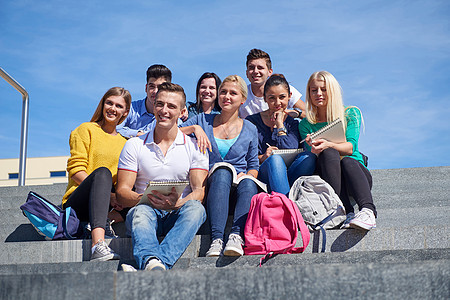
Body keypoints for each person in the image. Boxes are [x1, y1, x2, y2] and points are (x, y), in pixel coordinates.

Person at [116, 82, 209, 271]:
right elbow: (122, 193)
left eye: (171, 106)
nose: (164, 110)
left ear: (182, 112)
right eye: (160, 104)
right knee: (140, 212)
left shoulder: (195, 146)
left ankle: (155, 263)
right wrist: (147, 199)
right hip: (145, 212)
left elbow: (199, 191)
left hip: (178, 213)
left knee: (196, 209)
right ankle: (155, 263)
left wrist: (177, 204)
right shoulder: (134, 145)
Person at [181, 75, 259, 257]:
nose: (227, 97)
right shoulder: (202, 120)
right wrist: (194, 129)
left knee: (249, 182)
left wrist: (249, 175)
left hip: (239, 189)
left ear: (243, 100)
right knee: (222, 171)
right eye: (223, 92)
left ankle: (236, 236)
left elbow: (254, 164)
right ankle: (216, 239)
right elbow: (171, 132)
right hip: (212, 185)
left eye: (233, 93)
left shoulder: (250, 128)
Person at [299, 71, 377, 230]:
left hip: (355, 174)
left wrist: (328, 143)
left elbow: (350, 148)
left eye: (324, 89)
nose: (318, 94)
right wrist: (313, 148)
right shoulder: (305, 125)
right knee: (327, 153)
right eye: (314, 90)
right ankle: (344, 212)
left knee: (347, 160)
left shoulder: (350, 113)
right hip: (329, 177)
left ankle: (368, 211)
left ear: (332, 91)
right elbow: (314, 158)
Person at [62, 87, 131, 261]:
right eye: (109, 103)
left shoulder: (126, 143)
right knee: (102, 174)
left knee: (139, 192)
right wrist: (108, 195)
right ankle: (98, 245)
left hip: (108, 204)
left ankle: (105, 221)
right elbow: (76, 170)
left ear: (125, 112)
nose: (113, 109)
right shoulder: (86, 129)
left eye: (118, 106)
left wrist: (115, 196)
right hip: (79, 203)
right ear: (102, 104)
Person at [247, 74, 316, 195]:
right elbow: (246, 156)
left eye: (282, 97)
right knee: (275, 159)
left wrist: (279, 124)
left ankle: (286, 197)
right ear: (265, 98)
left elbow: (290, 148)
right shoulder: (251, 122)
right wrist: (263, 157)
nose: (277, 102)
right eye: (272, 98)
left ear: (289, 97)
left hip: (290, 173)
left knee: (309, 158)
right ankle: (287, 207)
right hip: (265, 173)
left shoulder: (292, 123)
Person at [239, 48, 306, 119]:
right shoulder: (240, 94)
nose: (255, 71)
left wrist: (291, 113)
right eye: (251, 68)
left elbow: (309, 114)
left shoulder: (283, 88)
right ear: (246, 73)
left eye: (260, 68)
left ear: (270, 72)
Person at [116, 64, 172, 138]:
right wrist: (138, 134)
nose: (155, 91)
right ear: (146, 88)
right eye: (152, 86)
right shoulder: (131, 108)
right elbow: (116, 127)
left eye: (160, 87)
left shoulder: (171, 114)